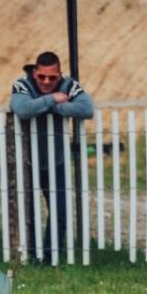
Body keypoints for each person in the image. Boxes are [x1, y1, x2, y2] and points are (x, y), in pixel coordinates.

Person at [8, 51, 93, 262]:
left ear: (60, 74)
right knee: (29, 214)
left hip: (57, 160)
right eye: (42, 77)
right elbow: (23, 109)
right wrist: (52, 99)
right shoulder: (21, 85)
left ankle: (50, 257)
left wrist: (51, 107)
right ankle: (32, 256)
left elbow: (87, 108)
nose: (46, 81)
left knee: (61, 212)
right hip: (26, 162)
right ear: (34, 72)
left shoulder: (69, 85)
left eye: (52, 78)